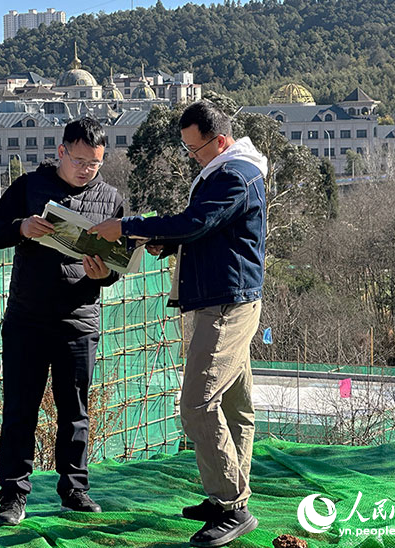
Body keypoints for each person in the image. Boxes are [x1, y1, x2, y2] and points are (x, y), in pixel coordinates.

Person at [89, 100, 267, 547]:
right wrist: (166, 242)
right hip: (228, 298)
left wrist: (131, 227)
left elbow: (197, 221)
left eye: (195, 148)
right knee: (234, 404)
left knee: (197, 403)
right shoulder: (231, 169)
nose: (192, 156)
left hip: (226, 305)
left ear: (219, 140)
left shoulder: (234, 175)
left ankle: (230, 503)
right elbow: (208, 231)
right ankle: (229, 494)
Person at [0, 117, 124, 527]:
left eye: (94, 163)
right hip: (28, 317)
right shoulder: (28, 186)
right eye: (79, 160)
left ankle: (75, 489)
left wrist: (105, 274)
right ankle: (12, 496)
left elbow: (116, 264)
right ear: (61, 152)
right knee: (20, 410)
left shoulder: (111, 199)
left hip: (79, 318)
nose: (86, 170)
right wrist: (21, 227)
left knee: (75, 410)